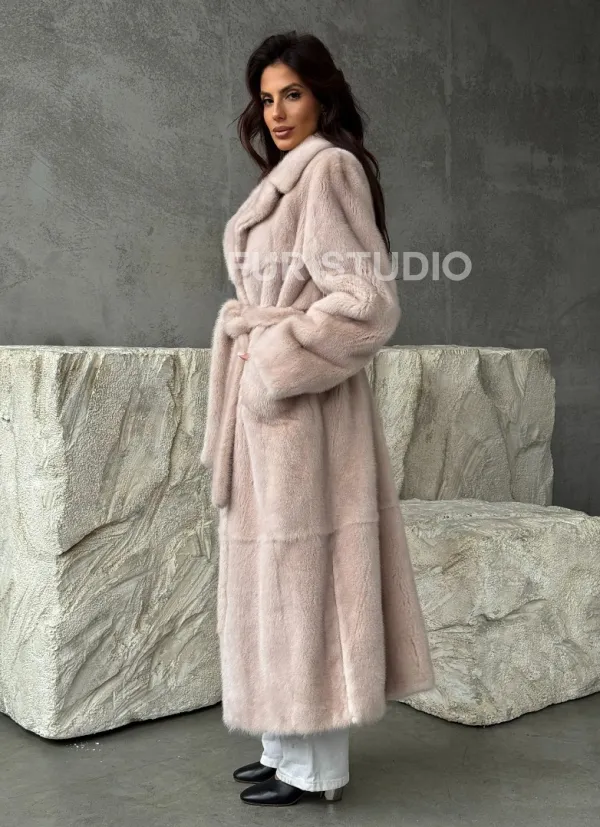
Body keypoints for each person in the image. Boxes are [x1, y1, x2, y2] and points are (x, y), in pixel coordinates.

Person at [200, 31, 435, 808]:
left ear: (322, 95)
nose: (276, 112)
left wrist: (276, 364)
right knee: (275, 585)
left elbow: (366, 305)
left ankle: (315, 766)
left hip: (305, 416)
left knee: (307, 586)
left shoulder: (328, 168)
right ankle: (282, 746)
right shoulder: (288, 175)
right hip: (271, 423)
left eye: (292, 94)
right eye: (266, 98)